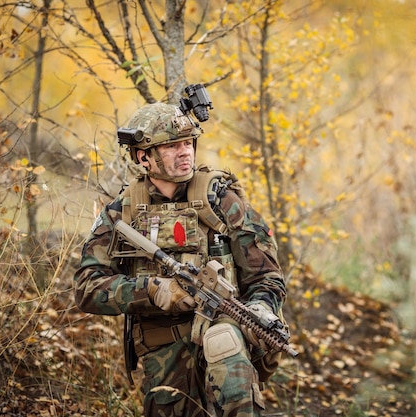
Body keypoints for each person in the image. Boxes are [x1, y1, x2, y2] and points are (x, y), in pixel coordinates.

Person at [74, 100, 287, 417]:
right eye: (172, 146)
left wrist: (260, 309)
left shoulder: (221, 201)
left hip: (227, 332)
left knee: (225, 346)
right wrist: (151, 290)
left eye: (188, 142)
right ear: (143, 156)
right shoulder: (122, 211)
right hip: (165, 351)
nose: (185, 151)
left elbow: (267, 278)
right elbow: (87, 288)